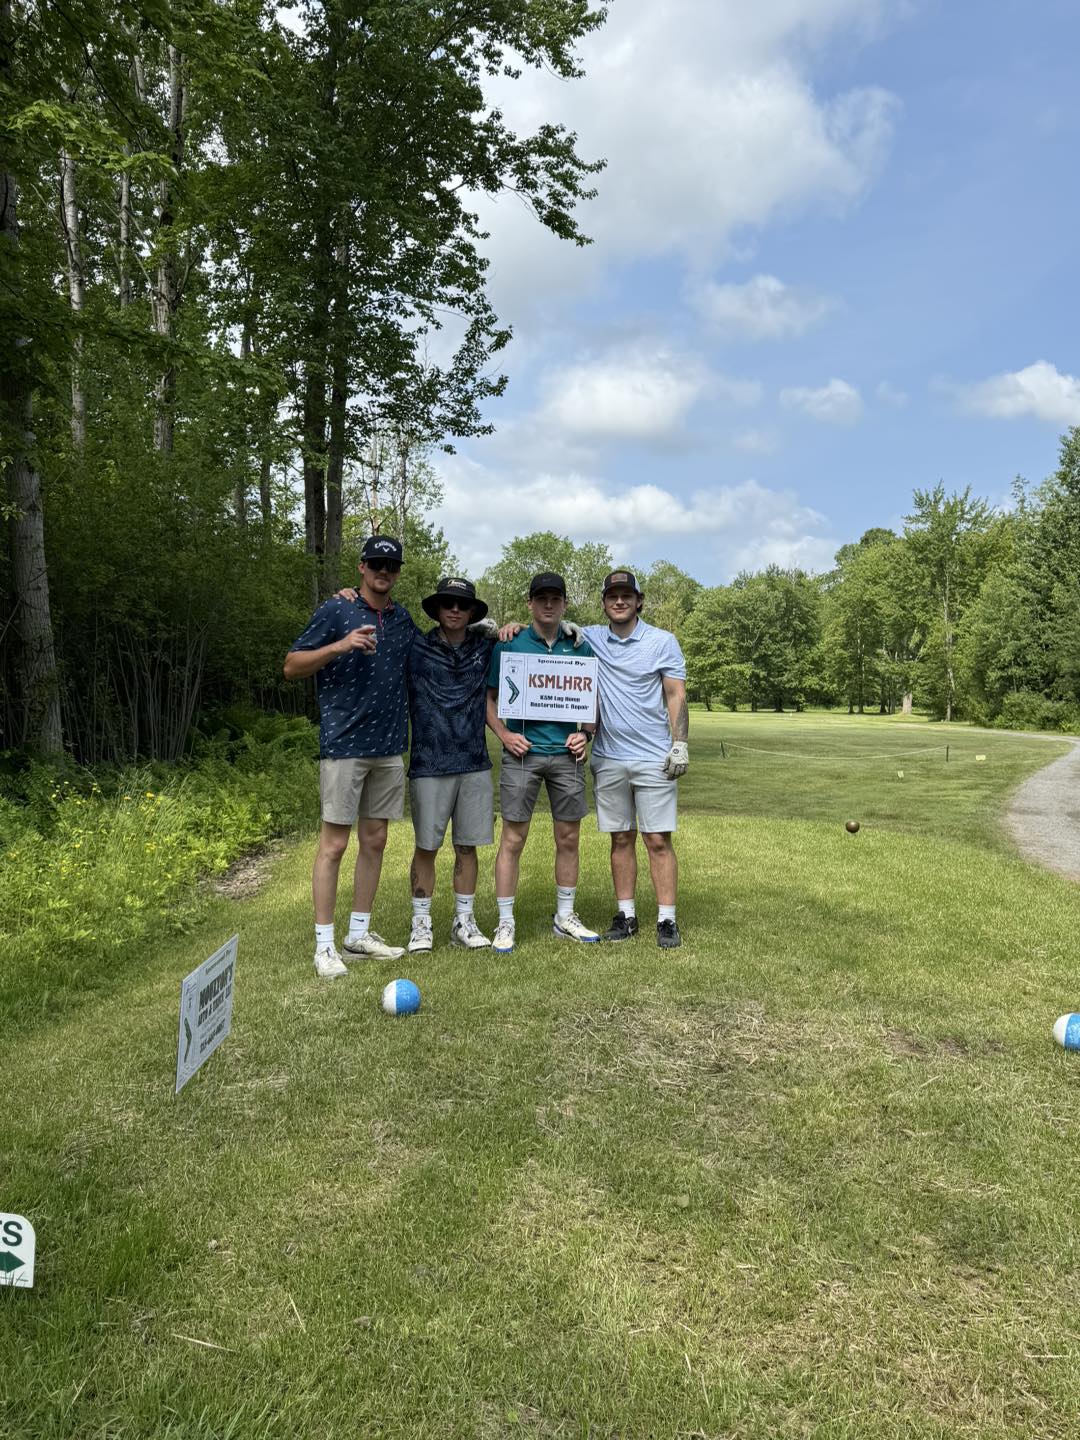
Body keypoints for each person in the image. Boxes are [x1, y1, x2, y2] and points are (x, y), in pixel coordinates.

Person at [283, 535, 414, 978]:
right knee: (334, 844)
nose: (384, 571)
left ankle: (358, 935)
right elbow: (291, 665)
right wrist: (340, 646)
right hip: (344, 746)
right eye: (376, 563)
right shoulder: (336, 610)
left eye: (391, 566)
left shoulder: (402, 619)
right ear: (361, 567)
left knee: (375, 841)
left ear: (397, 573)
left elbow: (441, 646)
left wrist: (499, 629)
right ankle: (323, 946)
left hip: (389, 747)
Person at [485, 572, 600, 953]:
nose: (549, 605)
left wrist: (586, 734)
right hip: (523, 753)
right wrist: (504, 734)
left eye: (556, 598)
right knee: (513, 838)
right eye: (541, 598)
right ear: (530, 603)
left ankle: (564, 916)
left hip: (566, 757)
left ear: (565, 603)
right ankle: (505, 922)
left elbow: (591, 701)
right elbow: (489, 699)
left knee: (568, 838)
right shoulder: (509, 643)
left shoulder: (579, 645)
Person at [582, 570, 688, 949]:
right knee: (621, 837)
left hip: (654, 757)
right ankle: (626, 916)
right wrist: (508, 627)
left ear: (639, 601)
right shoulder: (590, 637)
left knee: (657, 839)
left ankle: (667, 920)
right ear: (604, 603)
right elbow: (548, 624)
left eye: (627, 595)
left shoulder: (662, 641)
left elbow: (675, 694)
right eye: (613, 596)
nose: (620, 601)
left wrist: (680, 743)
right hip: (609, 756)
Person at [405, 576, 498, 954]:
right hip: (429, 762)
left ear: (473, 612)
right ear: (438, 610)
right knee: (426, 847)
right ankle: (421, 924)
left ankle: (464, 920)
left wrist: (511, 627)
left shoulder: (486, 647)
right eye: (448, 604)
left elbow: (525, 638)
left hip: (474, 761)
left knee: (467, 846)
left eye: (463, 605)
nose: (455, 610)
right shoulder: (415, 648)